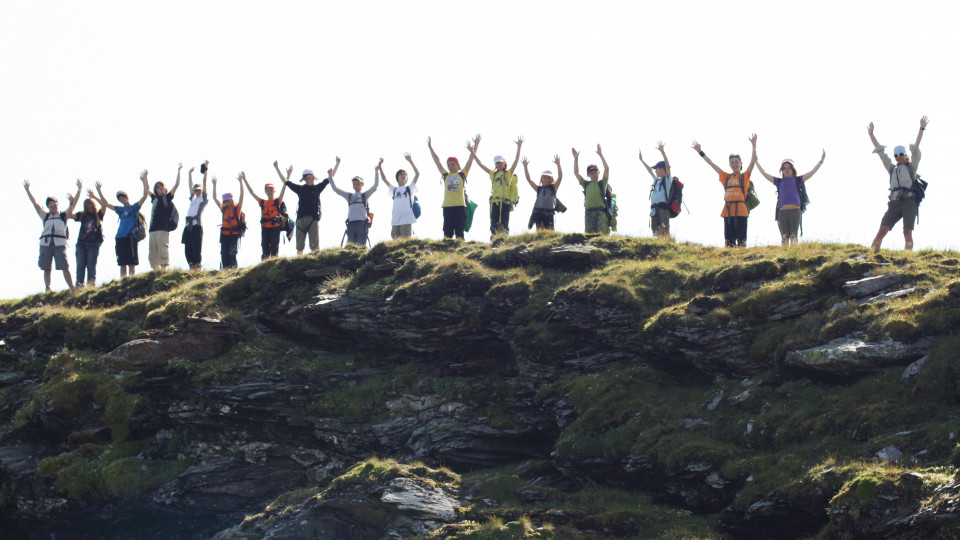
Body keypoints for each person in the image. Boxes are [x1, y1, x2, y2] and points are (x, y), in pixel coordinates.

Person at [867, 116, 929, 251]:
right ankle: (870, 254)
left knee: (907, 233)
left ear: (905, 155)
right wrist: (872, 135)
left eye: (901, 154)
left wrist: (921, 129)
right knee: (882, 229)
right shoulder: (892, 169)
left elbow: (916, 148)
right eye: (896, 155)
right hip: (894, 203)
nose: (899, 156)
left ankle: (907, 257)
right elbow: (880, 152)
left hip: (909, 202)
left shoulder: (911, 168)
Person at [692, 135, 758, 248]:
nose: (734, 164)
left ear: (741, 164)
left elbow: (753, 161)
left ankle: (741, 263)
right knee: (728, 243)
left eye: (737, 162)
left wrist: (753, 144)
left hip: (741, 212)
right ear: (729, 165)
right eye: (732, 162)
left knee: (742, 243)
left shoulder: (745, 176)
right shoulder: (725, 177)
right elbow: (711, 163)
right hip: (728, 212)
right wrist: (700, 152)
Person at [755, 150, 825, 246]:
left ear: (793, 170)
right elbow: (764, 173)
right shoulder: (778, 181)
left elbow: (812, 172)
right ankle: (784, 258)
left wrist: (821, 161)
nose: (786, 170)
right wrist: (756, 161)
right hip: (782, 212)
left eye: (789, 168)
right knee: (784, 237)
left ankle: (794, 256)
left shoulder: (798, 180)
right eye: (784, 168)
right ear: (782, 170)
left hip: (795, 211)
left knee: (793, 236)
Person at [23, 179, 80, 292]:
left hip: (60, 244)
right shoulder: (45, 216)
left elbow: (74, 203)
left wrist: (79, 190)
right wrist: (27, 190)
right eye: (51, 206)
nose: (54, 207)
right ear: (48, 207)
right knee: (46, 267)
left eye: (55, 205)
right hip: (46, 244)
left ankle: (71, 287)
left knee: (64, 266)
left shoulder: (64, 215)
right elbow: (35, 203)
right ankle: (48, 288)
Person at [90, 172, 150, 277]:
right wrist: (98, 193)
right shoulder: (120, 209)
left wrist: (144, 180)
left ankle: (131, 279)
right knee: (122, 263)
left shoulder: (134, 207)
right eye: (120, 198)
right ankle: (124, 281)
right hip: (120, 237)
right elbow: (106, 204)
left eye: (123, 197)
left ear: (127, 197)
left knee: (131, 262)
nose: (122, 199)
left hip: (131, 237)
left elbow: (145, 195)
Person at [465, 136, 524, 237]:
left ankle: (504, 240)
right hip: (494, 202)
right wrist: (472, 151)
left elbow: (516, 160)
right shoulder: (493, 174)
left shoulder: (508, 173)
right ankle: (494, 240)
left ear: (504, 163)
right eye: (497, 163)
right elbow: (480, 164)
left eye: (501, 162)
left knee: (504, 223)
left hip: (505, 202)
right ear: (495, 164)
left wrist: (519, 147)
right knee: (494, 222)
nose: (499, 164)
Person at [427, 135, 478, 239]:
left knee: (459, 231)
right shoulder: (446, 175)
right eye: (449, 165)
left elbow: (471, 159)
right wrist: (430, 147)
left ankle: (460, 252)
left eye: (453, 164)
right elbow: (437, 161)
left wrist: (476, 145)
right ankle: (445, 252)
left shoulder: (462, 174)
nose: (450, 166)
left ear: (458, 166)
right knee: (447, 232)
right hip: (447, 206)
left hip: (460, 206)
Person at [282, 160, 336, 255]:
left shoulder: (317, 188)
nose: (311, 180)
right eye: (309, 178)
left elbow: (330, 178)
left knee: (314, 245)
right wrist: (278, 168)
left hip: (313, 219)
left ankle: (314, 261)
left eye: (312, 178)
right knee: (299, 246)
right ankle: (299, 260)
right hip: (300, 219)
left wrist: (337, 163)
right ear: (305, 179)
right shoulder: (300, 189)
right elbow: (286, 182)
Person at [242, 163, 290, 260]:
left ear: (274, 191)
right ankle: (265, 263)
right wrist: (245, 179)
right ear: (265, 191)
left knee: (274, 247)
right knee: (264, 247)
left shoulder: (278, 201)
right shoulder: (262, 202)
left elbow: (284, 187)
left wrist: (288, 175)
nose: (269, 192)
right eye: (267, 190)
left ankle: (274, 262)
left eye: (271, 190)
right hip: (265, 227)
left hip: (275, 228)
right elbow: (251, 192)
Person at [329, 161, 379, 246]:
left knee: (361, 246)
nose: (355, 185)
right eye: (354, 184)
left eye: (357, 184)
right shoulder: (349, 196)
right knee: (350, 246)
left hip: (362, 223)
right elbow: (336, 189)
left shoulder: (365, 195)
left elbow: (375, 186)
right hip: (351, 223)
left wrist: (376, 173)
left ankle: (363, 259)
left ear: (362, 184)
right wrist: (330, 177)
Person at [67, 185, 107, 287]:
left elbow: (105, 204)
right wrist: (71, 203)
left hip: (94, 243)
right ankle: (79, 285)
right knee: (80, 265)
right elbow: (69, 215)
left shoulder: (98, 214)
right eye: (88, 207)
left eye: (91, 207)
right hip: (81, 243)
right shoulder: (82, 214)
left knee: (91, 265)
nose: (90, 209)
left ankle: (91, 284)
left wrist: (96, 195)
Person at [147, 163, 182, 271]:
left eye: (162, 186)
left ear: (165, 189)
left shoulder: (167, 197)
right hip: (152, 229)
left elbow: (176, 185)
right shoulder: (154, 199)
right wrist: (144, 178)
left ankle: (163, 270)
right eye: (158, 187)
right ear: (156, 190)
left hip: (163, 228)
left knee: (163, 249)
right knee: (152, 252)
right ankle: (155, 271)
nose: (160, 188)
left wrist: (179, 170)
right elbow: (147, 189)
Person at [377, 153, 420, 239]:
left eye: (405, 174)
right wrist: (380, 166)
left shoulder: (410, 188)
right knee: (395, 243)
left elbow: (417, 174)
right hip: (395, 220)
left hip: (406, 219)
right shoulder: (394, 190)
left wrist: (410, 161)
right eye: (401, 174)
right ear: (397, 178)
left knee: (406, 243)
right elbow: (384, 179)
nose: (403, 175)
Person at [571, 144, 611, 234]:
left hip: (601, 213)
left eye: (595, 172)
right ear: (588, 175)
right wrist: (576, 158)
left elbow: (607, 168)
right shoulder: (586, 184)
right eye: (591, 173)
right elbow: (575, 172)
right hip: (588, 213)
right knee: (589, 236)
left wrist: (600, 155)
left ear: (598, 172)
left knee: (602, 235)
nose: (594, 175)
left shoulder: (602, 183)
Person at [639, 142, 674, 238]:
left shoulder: (667, 180)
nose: (655, 171)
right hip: (654, 211)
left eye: (657, 169)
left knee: (664, 234)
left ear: (662, 169)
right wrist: (642, 160)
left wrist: (663, 152)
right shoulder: (656, 180)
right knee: (655, 234)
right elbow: (649, 170)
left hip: (663, 210)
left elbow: (668, 166)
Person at [521, 155, 563, 231]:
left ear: (551, 180)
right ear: (541, 179)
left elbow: (560, 177)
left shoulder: (553, 188)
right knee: (540, 233)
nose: (546, 179)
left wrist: (558, 164)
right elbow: (528, 179)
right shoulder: (539, 189)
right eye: (544, 177)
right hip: (539, 214)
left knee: (550, 233)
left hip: (549, 214)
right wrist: (525, 167)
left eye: (548, 178)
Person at [212, 174, 245, 269]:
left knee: (232, 251)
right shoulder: (223, 209)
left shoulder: (237, 209)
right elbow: (214, 198)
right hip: (224, 234)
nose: (227, 202)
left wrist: (240, 182)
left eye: (228, 200)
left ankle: (234, 268)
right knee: (223, 252)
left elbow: (242, 195)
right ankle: (225, 269)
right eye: (225, 201)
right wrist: (214, 185)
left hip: (234, 233)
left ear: (232, 199)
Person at [183, 162, 209, 270]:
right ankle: (191, 266)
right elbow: (190, 185)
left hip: (197, 225)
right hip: (188, 225)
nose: (197, 191)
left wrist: (206, 169)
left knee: (196, 247)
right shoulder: (193, 198)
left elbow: (204, 182)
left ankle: (197, 266)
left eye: (199, 190)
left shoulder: (202, 199)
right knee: (187, 247)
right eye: (196, 190)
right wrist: (189, 174)